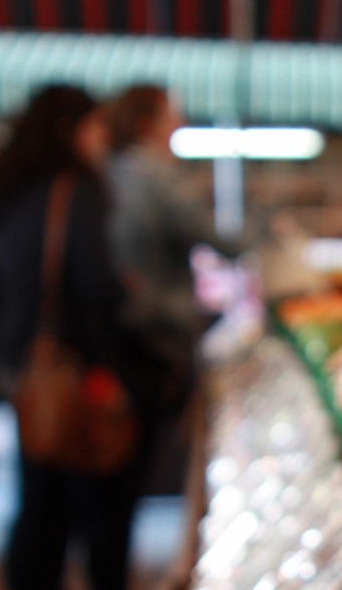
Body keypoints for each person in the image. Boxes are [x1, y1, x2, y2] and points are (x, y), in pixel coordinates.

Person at [0, 85, 160, 590]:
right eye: (96, 126)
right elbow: (94, 287)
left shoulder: (7, 190)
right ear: (71, 129)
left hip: (19, 362)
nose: (103, 139)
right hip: (70, 366)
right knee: (97, 500)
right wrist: (118, 341)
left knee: (38, 498)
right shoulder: (75, 190)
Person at [105, 84, 245, 411]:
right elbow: (215, 237)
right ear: (146, 124)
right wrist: (264, 237)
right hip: (161, 329)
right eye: (171, 117)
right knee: (166, 424)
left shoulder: (107, 170)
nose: (180, 124)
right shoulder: (155, 175)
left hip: (119, 326)